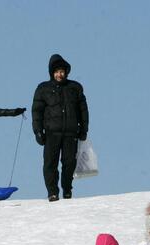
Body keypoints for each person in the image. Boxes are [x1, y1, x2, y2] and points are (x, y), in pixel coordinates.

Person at [32, 54, 89, 202]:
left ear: (66, 72)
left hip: (70, 132)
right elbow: (36, 111)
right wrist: (38, 131)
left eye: (62, 71)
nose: (60, 74)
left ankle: (67, 188)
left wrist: (84, 129)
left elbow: (83, 110)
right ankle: (52, 192)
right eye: (57, 71)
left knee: (69, 162)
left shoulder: (75, 88)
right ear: (52, 73)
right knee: (50, 163)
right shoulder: (43, 88)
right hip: (51, 132)